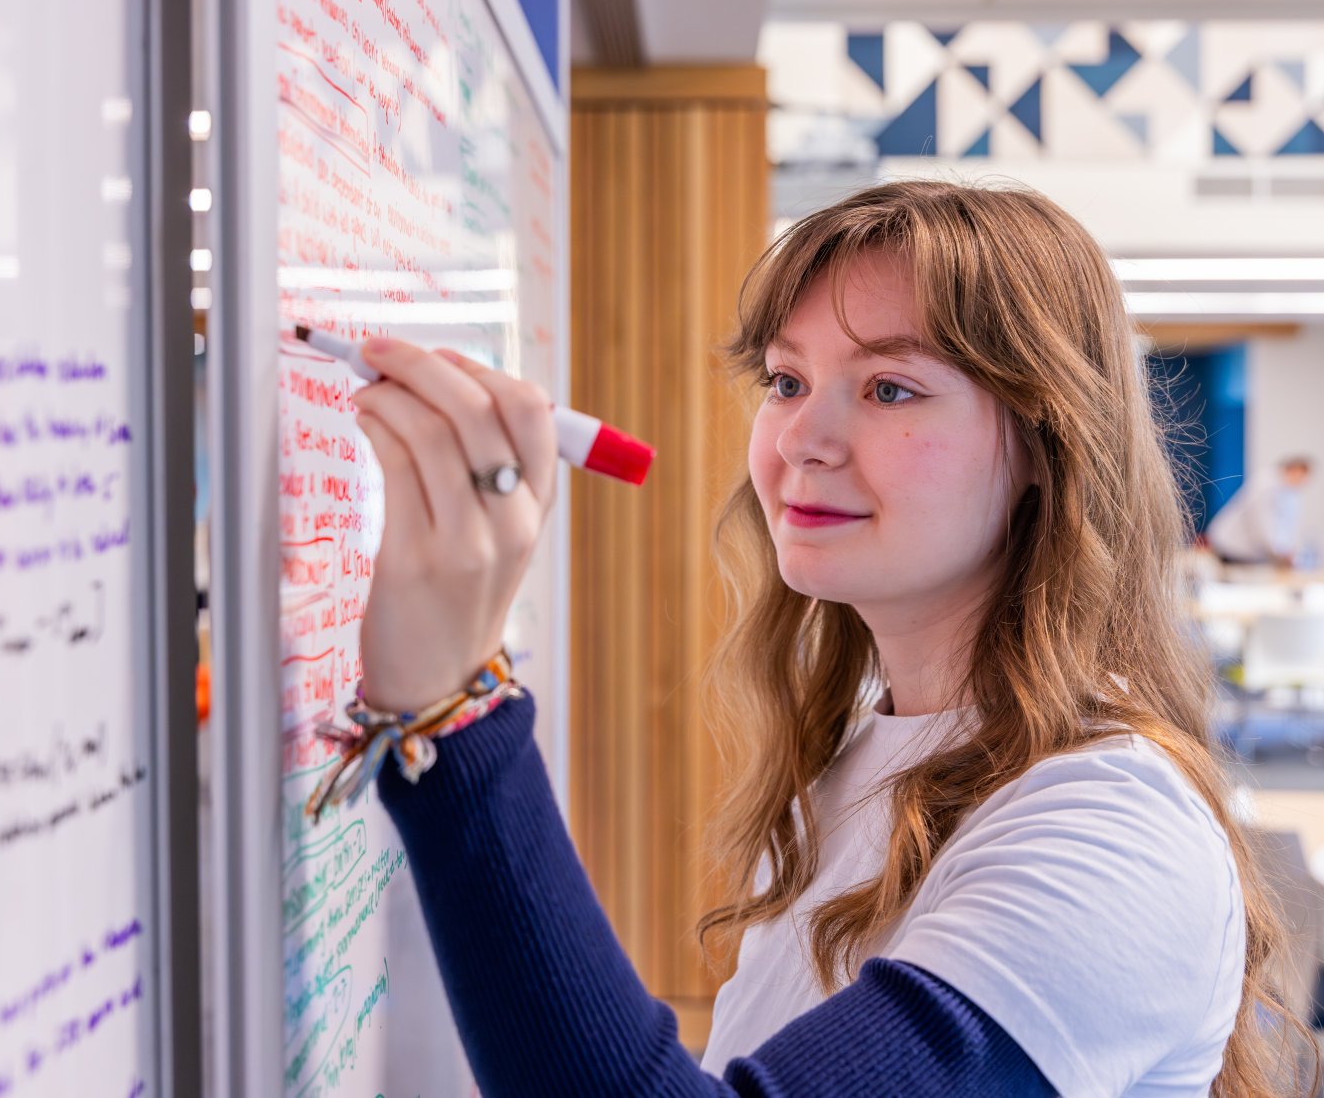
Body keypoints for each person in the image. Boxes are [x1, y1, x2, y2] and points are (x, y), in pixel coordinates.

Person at [332, 181, 1318, 1096]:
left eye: (888, 387)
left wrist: (454, 711)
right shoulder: (863, 756)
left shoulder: (1111, 836)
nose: (800, 437)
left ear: (1041, 442)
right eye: (785, 379)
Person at [1206, 457, 1314, 567]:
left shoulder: (1288, 492)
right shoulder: (1266, 484)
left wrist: (1287, 549)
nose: (1302, 481)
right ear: (1293, 469)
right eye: (1301, 476)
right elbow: (1261, 524)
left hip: (1250, 551)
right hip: (1233, 548)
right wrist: (1280, 552)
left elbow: (1285, 528)